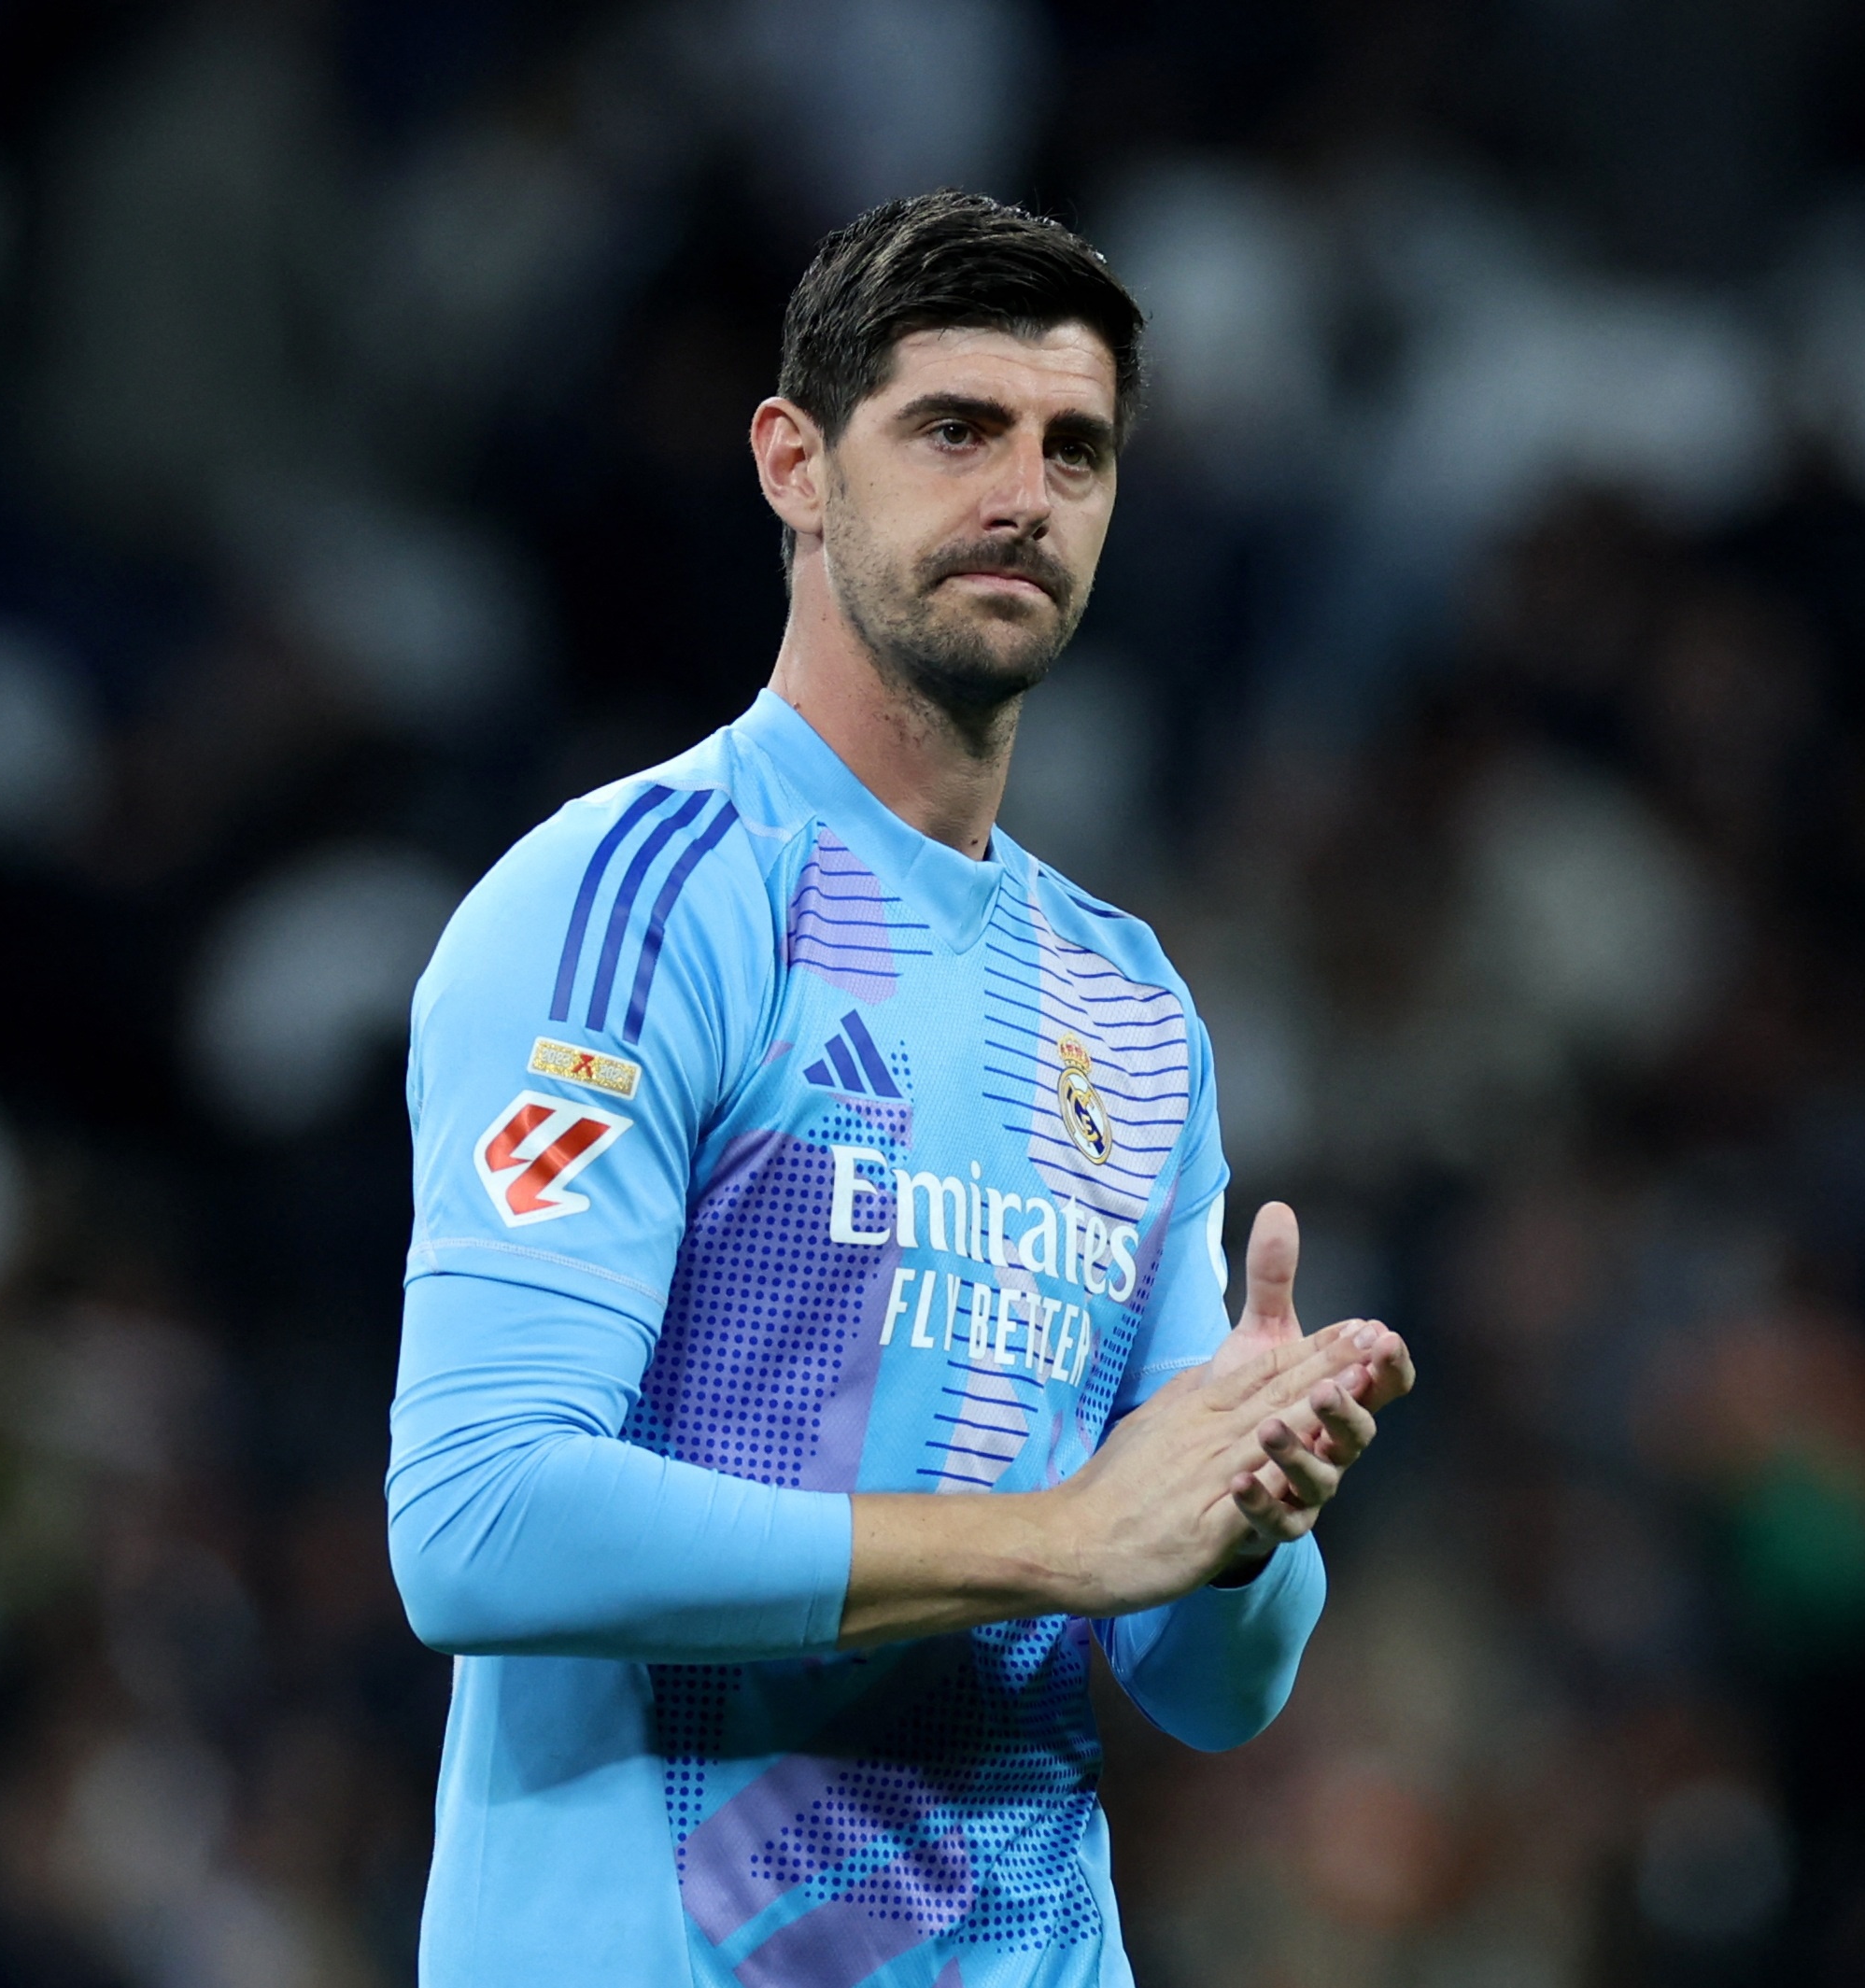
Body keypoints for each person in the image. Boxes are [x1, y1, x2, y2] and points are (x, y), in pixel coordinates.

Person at [387, 190, 1416, 1988]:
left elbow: (1211, 1689)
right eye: (956, 429)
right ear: (794, 464)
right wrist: (1058, 1538)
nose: (1024, 493)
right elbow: (479, 1521)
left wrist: (1247, 1521)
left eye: (1075, 450)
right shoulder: (637, 900)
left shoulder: (1129, 1006)